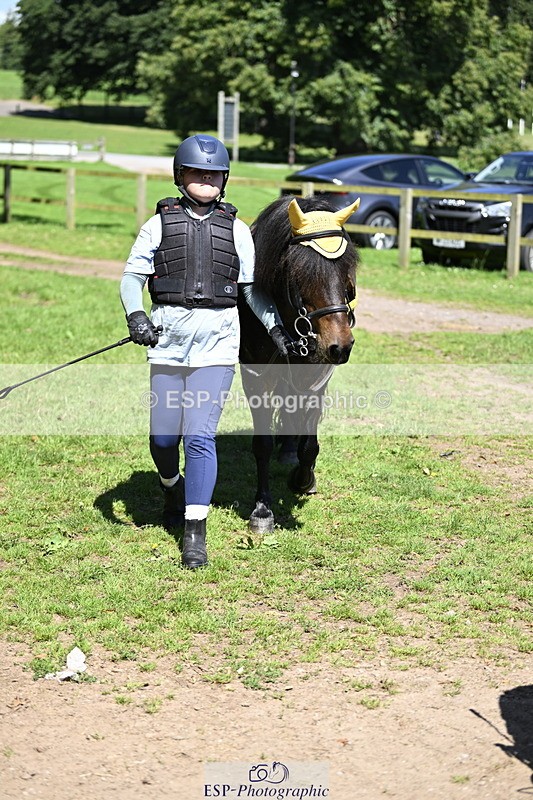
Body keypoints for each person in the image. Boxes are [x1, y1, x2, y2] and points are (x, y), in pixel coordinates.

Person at [120, 133, 289, 569]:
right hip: (168, 340)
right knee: (162, 439)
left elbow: (251, 292)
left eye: (214, 173)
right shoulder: (157, 225)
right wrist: (136, 316)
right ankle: (170, 484)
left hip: (217, 342)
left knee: (199, 435)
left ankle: (195, 532)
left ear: (225, 178)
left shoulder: (236, 229)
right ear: (181, 176)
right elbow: (131, 278)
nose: (206, 179)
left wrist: (277, 330)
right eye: (197, 172)